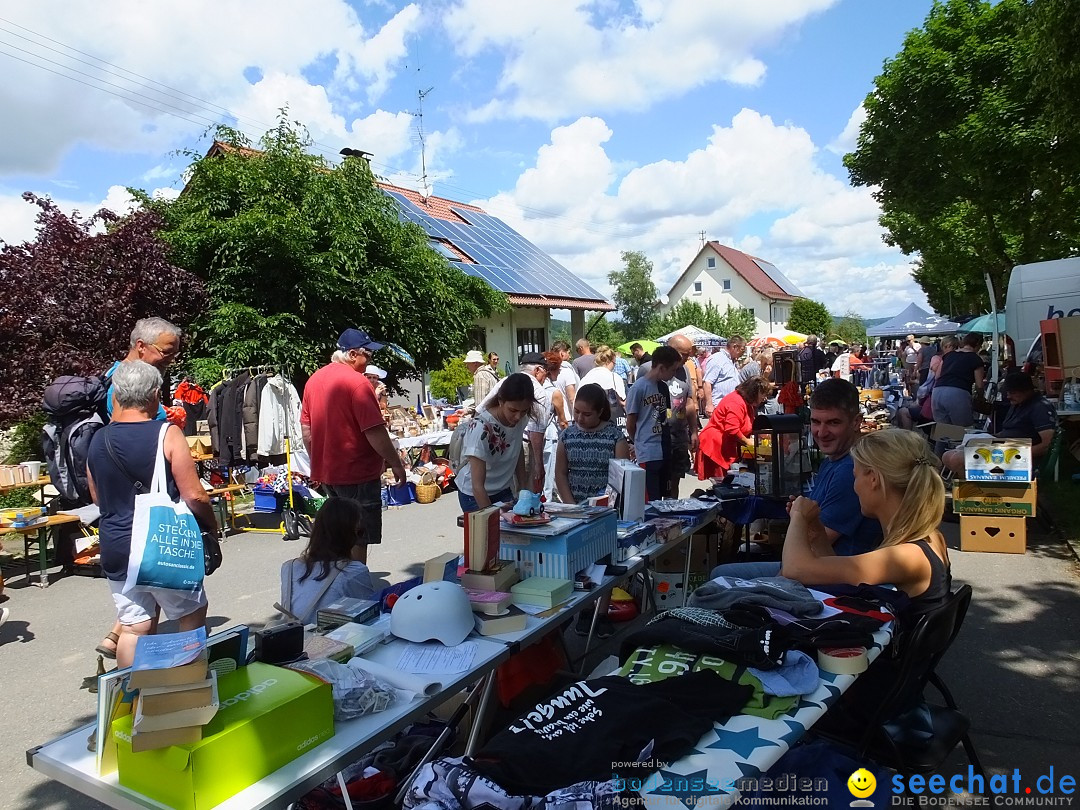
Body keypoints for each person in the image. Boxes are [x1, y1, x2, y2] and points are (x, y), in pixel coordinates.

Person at [86, 360, 216, 669]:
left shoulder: (97, 439)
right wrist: (210, 525)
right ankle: (187, 689)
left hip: (117, 543)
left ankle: (130, 698)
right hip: (161, 543)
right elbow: (194, 494)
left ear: (116, 396)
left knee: (134, 626)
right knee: (190, 615)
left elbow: (96, 496)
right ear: (155, 396)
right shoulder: (167, 434)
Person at [709, 379, 884, 578]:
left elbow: (815, 547)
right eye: (816, 422)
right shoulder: (835, 460)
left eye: (834, 422)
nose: (822, 432)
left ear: (856, 422)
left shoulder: (850, 470)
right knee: (721, 573)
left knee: (721, 576)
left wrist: (773, 587)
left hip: (829, 577)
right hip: (816, 567)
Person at [782, 428, 950, 619]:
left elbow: (794, 571)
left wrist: (798, 516)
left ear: (873, 479)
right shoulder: (930, 536)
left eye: (855, 476)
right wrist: (816, 530)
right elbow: (835, 578)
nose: (854, 486)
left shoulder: (907, 557)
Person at [300, 329, 406, 563]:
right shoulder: (357, 383)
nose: (369, 361)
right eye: (367, 355)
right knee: (358, 534)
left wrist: (317, 462)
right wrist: (396, 463)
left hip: (329, 473)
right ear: (351, 354)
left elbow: (306, 430)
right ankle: (355, 589)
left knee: (338, 532)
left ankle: (337, 583)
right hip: (357, 472)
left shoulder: (314, 380)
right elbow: (375, 431)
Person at [279, 498, 375, 625]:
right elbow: (370, 615)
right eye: (360, 533)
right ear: (349, 535)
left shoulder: (289, 568)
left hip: (293, 640)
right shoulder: (353, 572)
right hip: (331, 641)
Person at [942, 372, 1056, 476]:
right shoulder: (1018, 404)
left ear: (1026, 390)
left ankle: (976, 489)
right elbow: (1011, 430)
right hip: (1004, 449)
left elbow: (1047, 444)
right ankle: (974, 487)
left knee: (956, 459)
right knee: (947, 456)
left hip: (1017, 456)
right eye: (1008, 392)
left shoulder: (1040, 407)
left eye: (1013, 393)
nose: (1008, 396)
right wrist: (989, 438)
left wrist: (1019, 453)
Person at [456, 372, 539, 512]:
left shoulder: (521, 420)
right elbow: (477, 486)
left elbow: (516, 448)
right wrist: (493, 517)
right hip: (474, 495)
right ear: (500, 401)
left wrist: (523, 487)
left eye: (524, 411)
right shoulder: (481, 429)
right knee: (490, 531)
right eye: (513, 410)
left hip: (503, 489)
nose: (518, 416)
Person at [555, 383, 630, 504]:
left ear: (600, 412)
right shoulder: (567, 436)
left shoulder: (616, 437)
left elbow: (621, 478)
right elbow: (560, 473)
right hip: (574, 507)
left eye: (587, 414)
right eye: (577, 411)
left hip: (606, 509)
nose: (580, 418)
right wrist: (572, 506)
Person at [626, 346, 683, 501]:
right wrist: (637, 442)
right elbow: (630, 423)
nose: (674, 374)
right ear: (661, 367)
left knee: (664, 494)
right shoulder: (638, 388)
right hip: (647, 452)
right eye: (673, 370)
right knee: (651, 498)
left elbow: (665, 415)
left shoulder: (663, 387)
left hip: (663, 448)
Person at [696, 376, 773, 479]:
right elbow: (732, 429)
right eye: (763, 394)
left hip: (726, 447)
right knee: (722, 485)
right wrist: (748, 442)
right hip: (716, 447)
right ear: (754, 392)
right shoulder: (736, 402)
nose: (765, 398)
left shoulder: (746, 403)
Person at [932, 332, 985, 433]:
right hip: (958, 393)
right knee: (963, 431)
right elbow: (979, 385)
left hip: (938, 392)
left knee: (943, 432)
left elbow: (937, 376)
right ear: (978, 345)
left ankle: (938, 449)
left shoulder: (949, 355)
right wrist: (981, 397)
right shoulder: (975, 359)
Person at [540, 352, 569, 499]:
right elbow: (562, 420)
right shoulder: (553, 392)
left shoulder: (533, 388)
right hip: (549, 436)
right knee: (548, 476)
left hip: (529, 437)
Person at [702, 336, 746, 416]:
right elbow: (707, 382)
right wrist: (709, 405)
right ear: (735, 347)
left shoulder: (732, 361)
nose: (742, 353)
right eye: (742, 350)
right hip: (719, 405)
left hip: (731, 405)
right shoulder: (717, 359)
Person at [578, 346, 627, 414]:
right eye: (614, 363)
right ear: (609, 362)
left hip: (590, 418)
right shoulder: (615, 377)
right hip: (609, 419)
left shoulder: (586, 377)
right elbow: (622, 402)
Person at [550, 340, 579, 420]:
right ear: (562, 353)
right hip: (568, 416)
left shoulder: (547, 371)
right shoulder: (567, 370)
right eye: (568, 353)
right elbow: (572, 398)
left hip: (553, 418)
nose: (569, 357)